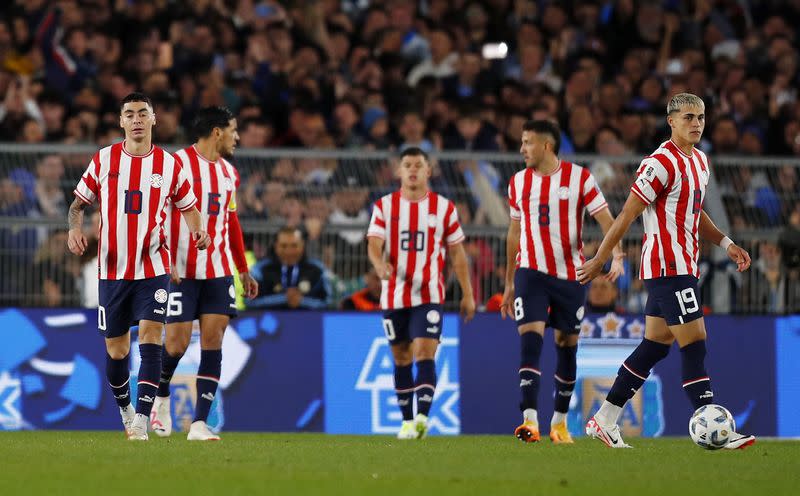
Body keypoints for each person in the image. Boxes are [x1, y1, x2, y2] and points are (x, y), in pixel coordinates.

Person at [577, 93, 755, 449]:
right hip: (666, 266)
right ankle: (713, 426)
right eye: (688, 117)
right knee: (695, 342)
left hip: (684, 265)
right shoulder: (659, 163)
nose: (697, 123)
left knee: (656, 344)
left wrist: (725, 243)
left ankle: (605, 419)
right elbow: (627, 213)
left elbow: (694, 210)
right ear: (670, 121)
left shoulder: (701, 162)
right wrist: (600, 257)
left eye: (701, 117)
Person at [67, 92, 210, 441]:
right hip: (112, 271)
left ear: (153, 118)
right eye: (129, 114)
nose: (136, 119)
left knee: (151, 338)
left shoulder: (168, 164)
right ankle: (126, 408)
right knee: (117, 350)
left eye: (142, 113)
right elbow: (77, 205)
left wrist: (197, 230)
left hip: (153, 266)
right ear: (120, 121)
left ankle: (143, 420)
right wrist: (74, 229)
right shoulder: (103, 160)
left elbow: (188, 206)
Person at [499, 120, 624, 444]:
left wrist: (618, 255)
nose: (522, 149)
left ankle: (559, 424)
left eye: (527, 142)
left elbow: (608, 221)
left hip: (571, 275)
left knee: (567, 346)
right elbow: (514, 234)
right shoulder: (518, 183)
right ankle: (529, 421)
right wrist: (510, 283)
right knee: (531, 339)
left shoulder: (579, 178)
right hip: (531, 272)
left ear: (546, 146)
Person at [149, 106, 259, 441]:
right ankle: (161, 397)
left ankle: (199, 423)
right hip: (181, 270)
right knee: (177, 345)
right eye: (233, 131)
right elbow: (154, 214)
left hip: (218, 270)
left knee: (213, 342)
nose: (236, 138)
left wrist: (243, 270)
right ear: (217, 132)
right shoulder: (175, 164)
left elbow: (232, 222)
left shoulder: (230, 173)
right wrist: (163, 257)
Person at [367, 146, 476, 440]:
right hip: (394, 295)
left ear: (429, 170)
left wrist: (467, 294)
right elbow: (374, 244)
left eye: (418, 165)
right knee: (401, 357)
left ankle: (423, 418)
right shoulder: (384, 206)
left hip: (429, 293)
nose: (413, 170)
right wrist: (379, 264)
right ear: (398, 171)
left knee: (425, 351)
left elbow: (457, 254)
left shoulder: (444, 208)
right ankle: (406, 421)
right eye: (407, 164)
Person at [248, 227, 330, 310]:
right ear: (276, 246)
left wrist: (302, 301)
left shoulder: (317, 269)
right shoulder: (260, 270)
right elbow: (249, 302)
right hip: (270, 321)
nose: (289, 251)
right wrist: (283, 298)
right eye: (284, 246)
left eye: (294, 246)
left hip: (310, 321)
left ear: (302, 246)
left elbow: (329, 302)